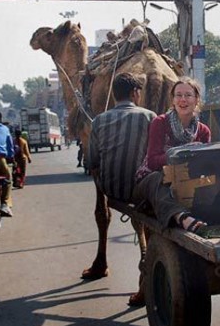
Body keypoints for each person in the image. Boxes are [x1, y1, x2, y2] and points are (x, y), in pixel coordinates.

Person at [83, 73, 156, 287]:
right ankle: (147, 259)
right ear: (135, 93)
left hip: (109, 189)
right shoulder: (150, 117)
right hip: (140, 189)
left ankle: (102, 261)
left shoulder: (98, 121)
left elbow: (92, 163)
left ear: (114, 96)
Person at [135, 77, 210, 231]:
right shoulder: (160, 122)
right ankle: (181, 216)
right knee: (158, 178)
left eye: (188, 95)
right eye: (178, 95)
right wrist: (181, 154)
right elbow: (152, 162)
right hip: (152, 184)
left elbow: (205, 165)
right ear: (173, 100)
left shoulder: (203, 131)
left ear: (196, 100)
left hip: (184, 184)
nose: (183, 100)